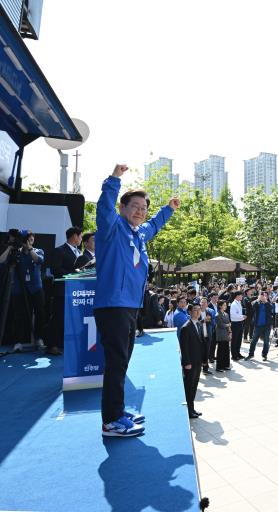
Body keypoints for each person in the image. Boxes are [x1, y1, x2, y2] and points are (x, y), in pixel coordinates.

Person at [95, 164, 178, 437]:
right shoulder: (112, 227)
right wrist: (114, 180)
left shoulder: (139, 234)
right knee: (116, 362)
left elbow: (153, 225)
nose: (140, 211)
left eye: (143, 207)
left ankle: (117, 411)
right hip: (113, 304)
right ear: (122, 207)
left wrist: (168, 209)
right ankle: (110, 422)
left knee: (122, 362)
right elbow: (104, 208)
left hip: (131, 306)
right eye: (135, 206)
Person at [1, 230, 47, 353]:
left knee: (40, 313)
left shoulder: (38, 251)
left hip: (36, 288)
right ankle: (18, 341)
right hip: (19, 289)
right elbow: (2, 261)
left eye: (31, 239)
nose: (28, 242)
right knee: (18, 316)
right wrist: (11, 247)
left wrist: (30, 248)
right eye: (26, 240)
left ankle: (39, 338)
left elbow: (39, 260)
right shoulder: (17, 253)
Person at [47, 226, 83, 354]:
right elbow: (55, 270)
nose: (81, 239)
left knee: (72, 319)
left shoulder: (80, 253)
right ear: (74, 236)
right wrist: (74, 275)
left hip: (77, 291)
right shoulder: (59, 251)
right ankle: (52, 345)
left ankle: (64, 343)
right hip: (62, 290)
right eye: (80, 236)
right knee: (58, 317)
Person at [178, 303, 205, 419]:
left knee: (194, 386)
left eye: (199, 310)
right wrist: (187, 363)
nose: (198, 312)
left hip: (198, 361)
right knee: (189, 387)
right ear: (190, 312)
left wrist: (204, 360)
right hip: (190, 363)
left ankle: (192, 408)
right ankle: (188, 410)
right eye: (195, 310)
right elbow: (184, 347)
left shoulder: (199, 324)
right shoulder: (186, 327)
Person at [247, 291, 273, 361]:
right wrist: (258, 299)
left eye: (264, 296)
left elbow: (271, 309)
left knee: (266, 341)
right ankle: (251, 354)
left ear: (267, 296)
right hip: (258, 326)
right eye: (262, 296)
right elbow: (252, 306)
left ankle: (264, 355)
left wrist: (266, 301)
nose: (263, 297)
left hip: (266, 326)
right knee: (254, 341)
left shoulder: (268, 304)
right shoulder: (257, 303)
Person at [214, 300, 232, 371]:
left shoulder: (226, 314)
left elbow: (228, 323)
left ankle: (226, 365)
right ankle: (219, 367)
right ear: (220, 306)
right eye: (224, 305)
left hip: (226, 334)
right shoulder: (217, 315)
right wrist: (228, 325)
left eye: (225, 305)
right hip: (221, 334)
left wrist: (230, 332)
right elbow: (221, 325)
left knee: (226, 350)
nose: (225, 306)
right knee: (220, 351)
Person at [229, 291, 245, 361]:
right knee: (234, 340)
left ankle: (238, 353)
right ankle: (234, 355)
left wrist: (241, 317)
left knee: (239, 339)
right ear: (237, 296)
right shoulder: (233, 304)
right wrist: (242, 317)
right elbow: (233, 316)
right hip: (235, 323)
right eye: (241, 295)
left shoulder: (239, 303)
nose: (242, 296)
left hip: (239, 322)